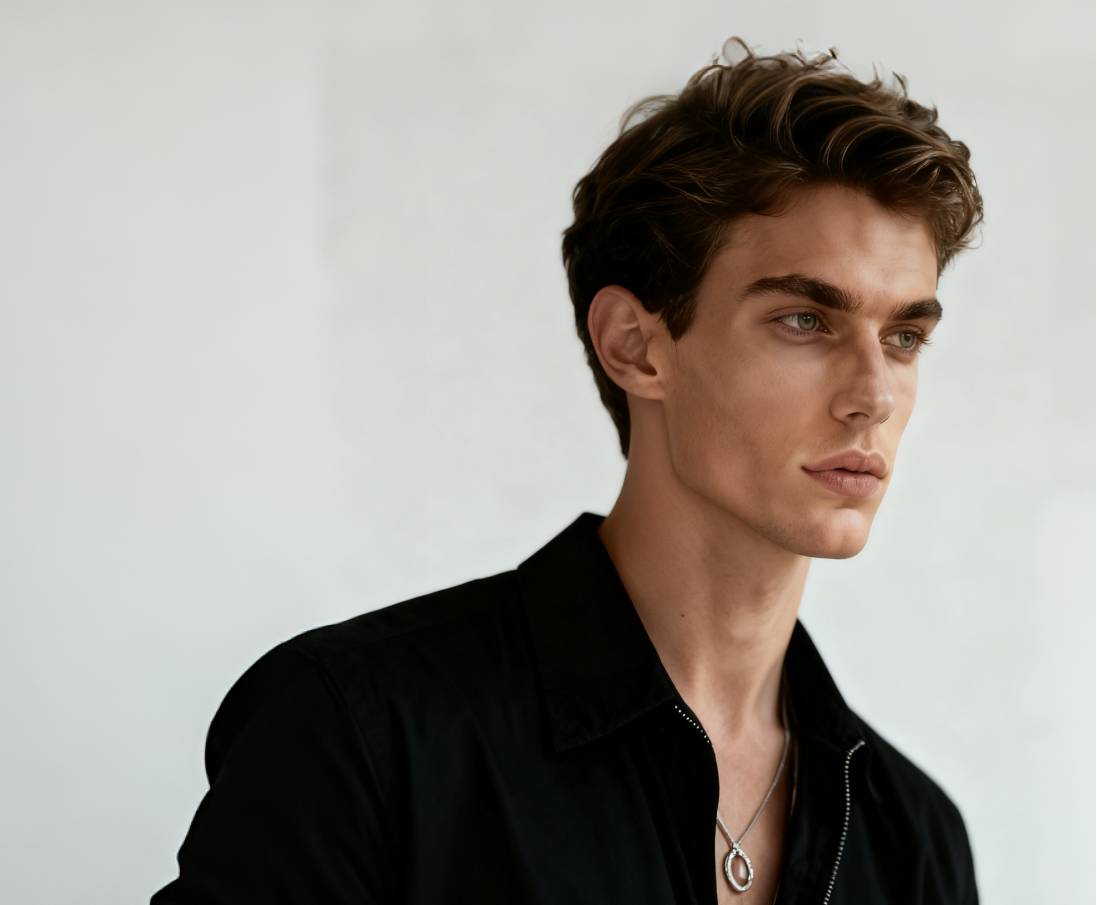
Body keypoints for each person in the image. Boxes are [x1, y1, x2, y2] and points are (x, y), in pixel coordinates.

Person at [153, 39, 982, 905]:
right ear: (635, 345)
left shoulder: (913, 837)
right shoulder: (361, 733)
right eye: (805, 320)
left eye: (903, 336)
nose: (872, 394)